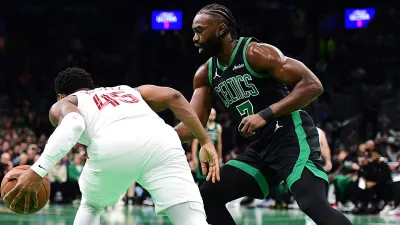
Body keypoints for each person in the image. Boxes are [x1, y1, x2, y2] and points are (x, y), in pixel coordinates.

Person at [174, 4, 352, 225]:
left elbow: (312, 84)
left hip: (292, 139)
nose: (194, 38)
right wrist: (150, 131)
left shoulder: (254, 53)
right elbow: (192, 125)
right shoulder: (205, 74)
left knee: (311, 204)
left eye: (199, 30)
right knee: (208, 195)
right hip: (261, 150)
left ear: (220, 29)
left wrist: (266, 114)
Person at [3, 67, 220, 225]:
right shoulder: (126, 90)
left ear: (60, 95)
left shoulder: (66, 102)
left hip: (112, 144)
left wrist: (37, 170)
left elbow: (74, 124)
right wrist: (206, 141)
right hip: (163, 140)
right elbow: (174, 96)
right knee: (192, 220)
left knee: (91, 205)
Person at [192, 108, 223, 186]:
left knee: (212, 177)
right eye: (211, 114)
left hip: (212, 154)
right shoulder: (202, 126)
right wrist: (194, 158)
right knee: (201, 177)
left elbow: (219, 144)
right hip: (202, 154)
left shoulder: (218, 127)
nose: (212, 116)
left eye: (214, 114)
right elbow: (195, 142)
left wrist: (220, 157)